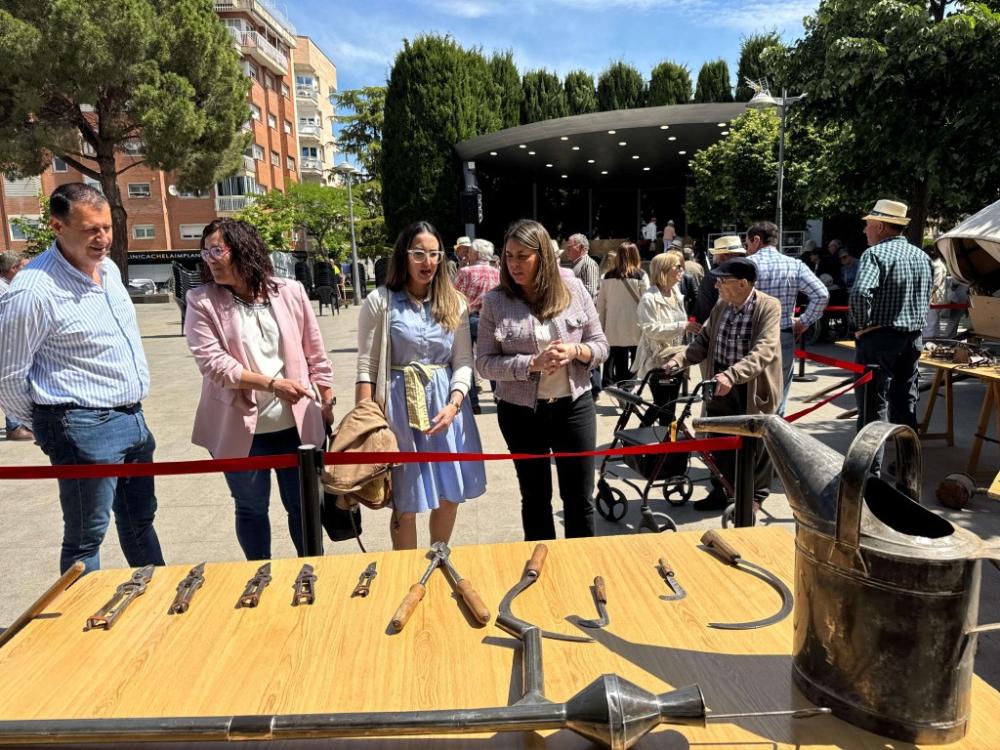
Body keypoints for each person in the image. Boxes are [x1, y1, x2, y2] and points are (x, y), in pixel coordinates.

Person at [0, 183, 164, 574]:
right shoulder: (33, 291)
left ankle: (159, 596)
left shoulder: (107, 270)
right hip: (81, 423)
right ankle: (81, 623)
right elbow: (8, 376)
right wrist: (53, 423)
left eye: (106, 227)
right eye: (91, 229)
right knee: (87, 535)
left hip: (132, 418)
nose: (103, 238)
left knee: (140, 519)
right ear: (58, 226)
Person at [184, 218, 334, 560]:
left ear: (243, 249)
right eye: (205, 251)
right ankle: (257, 574)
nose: (210, 258)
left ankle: (311, 572)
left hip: (296, 428)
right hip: (241, 431)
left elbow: (316, 351)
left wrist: (327, 399)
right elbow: (214, 365)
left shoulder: (290, 292)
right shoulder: (201, 301)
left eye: (217, 249)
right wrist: (272, 384)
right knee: (251, 509)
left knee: (304, 508)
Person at [357, 221, 486, 550]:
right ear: (404, 256)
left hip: (446, 408)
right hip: (398, 410)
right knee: (406, 501)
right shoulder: (380, 301)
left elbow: (462, 361)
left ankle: (437, 556)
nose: (427, 262)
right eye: (418, 254)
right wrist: (366, 421)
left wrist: (456, 402)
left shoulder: (454, 302)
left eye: (434, 254)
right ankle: (406, 571)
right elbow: (367, 365)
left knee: (450, 495)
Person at [478, 219, 608, 540]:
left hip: (574, 408)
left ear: (543, 256)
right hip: (521, 413)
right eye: (509, 256)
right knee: (535, 500)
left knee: (579, 500)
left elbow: (601, 345)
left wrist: (577, 350)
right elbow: (484, 363)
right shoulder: (495, 301)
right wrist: (530, 364)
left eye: (523, 256)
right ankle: (543, 573)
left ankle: (581, 570)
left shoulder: (573, 288)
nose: (514, 264)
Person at [665, 258, 781, 512]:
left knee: (754, 443)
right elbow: (703, 342)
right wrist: (678, 361)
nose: (716, 286)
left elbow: (764, 351)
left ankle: (754, 497)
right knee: (717, 438)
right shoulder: (722, 305)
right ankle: (722, 490)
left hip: (749, 386)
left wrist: (733, 374)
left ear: (742, 284)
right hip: (720, 382)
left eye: (722, 282)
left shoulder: (768, 307)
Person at [850, 199, 932, 468]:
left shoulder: (874, 255)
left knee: (873, 405)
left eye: (868, 226)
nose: (865, 231)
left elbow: (861, 293)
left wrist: (861, 325)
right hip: (912, 338)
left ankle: (868, 472)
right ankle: (908, 467)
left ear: (881, 226)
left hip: (880, 338)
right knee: (905, 402)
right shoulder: (922, 256)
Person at [744, 221, 829, 416]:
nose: (747, 248)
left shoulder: (746, 266)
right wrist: (803, 322)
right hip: (781, 336)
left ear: (756, 240)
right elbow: (821, 294)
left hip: (748, 336)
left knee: (747, 392)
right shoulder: (795, 265)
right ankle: (774, 437)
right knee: (778, 394)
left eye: (747, 243)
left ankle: (750, 441)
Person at [633, 251, 699, 425]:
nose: (681, 270)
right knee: (663, 406)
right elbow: (650, 329)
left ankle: (663, 443)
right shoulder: (649, 298)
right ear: (664, 270)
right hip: (657, 360)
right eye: (677, 267)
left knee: (668, 405)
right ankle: (646, 443)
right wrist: (682, 326)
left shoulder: (676, 292)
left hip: (675, 358)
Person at [453, 237, 501, 414]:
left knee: (467, 359)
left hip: (469, 318)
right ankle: (498, 394)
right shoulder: (498, 273)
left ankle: (473, 401)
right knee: (493, 357)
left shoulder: (465, 272)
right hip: (492, 320)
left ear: (476, 253)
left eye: (471, 251)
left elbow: (454, 296)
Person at [597, 241, 649, 387]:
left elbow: (601, 306)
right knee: (636, 360)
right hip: (635, 325)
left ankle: (621, 389)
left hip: (613, 326)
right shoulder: (641, 275)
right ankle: (628, 389)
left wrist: (601, 326)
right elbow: (647, 303)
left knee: (619, 359)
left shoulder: (607, 276)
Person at [0, 251, 33, 441]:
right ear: (13, 269)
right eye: (24, 267)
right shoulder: (6, 291)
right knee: (11, 377)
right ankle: (14, 427)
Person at [692, 235, 746, 324]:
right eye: (738, 255)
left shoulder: (743, 274)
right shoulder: (713, 278)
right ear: (722, 257)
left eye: (742, 255)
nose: (741, 259)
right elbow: (705, 310)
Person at [564, 233, 600, 300]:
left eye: (569, 247)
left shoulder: (588, 264)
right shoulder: (576, 263)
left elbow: (591, 293)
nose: (567, 250)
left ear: (580, 247)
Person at [923, 246, 948, 339]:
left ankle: (929, 339)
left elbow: (935, 284)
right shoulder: (935, 264)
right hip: (933, 296)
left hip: (934, 297)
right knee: (933, 320)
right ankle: (934, 338)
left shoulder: (937, 266)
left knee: (931, 320)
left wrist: (925, 295)